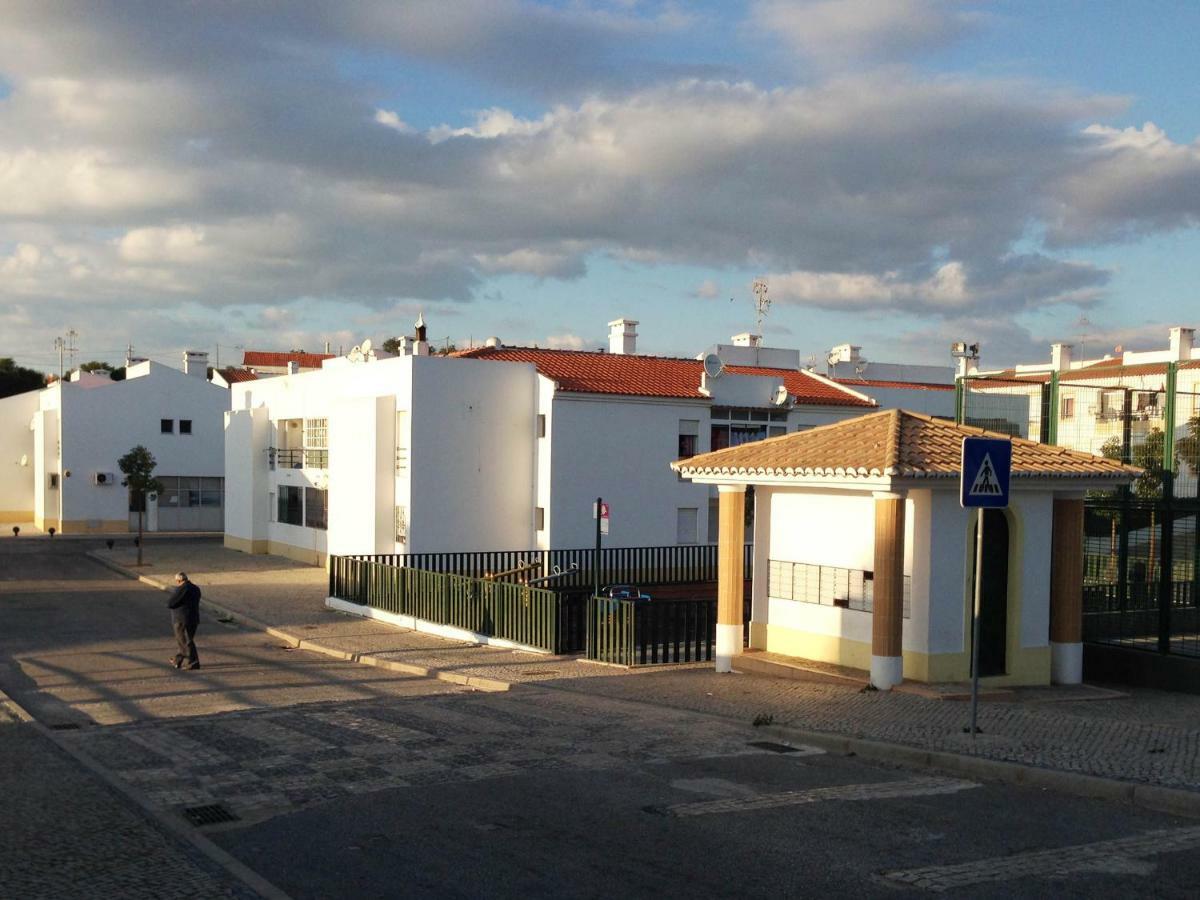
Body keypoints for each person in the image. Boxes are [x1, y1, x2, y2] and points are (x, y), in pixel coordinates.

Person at [167, 572, 202, 670]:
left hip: (182, 619)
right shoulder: (196, 588)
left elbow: (170, 603)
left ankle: (194, 662)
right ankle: (177, 660)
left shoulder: (182, 588)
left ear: (179, 580)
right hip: (194, 618)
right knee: (183, 640)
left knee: (186, 641)